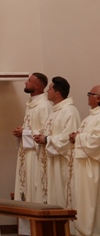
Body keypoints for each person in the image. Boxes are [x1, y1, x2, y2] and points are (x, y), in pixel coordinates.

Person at [33, 77, 80, 217]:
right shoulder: (54, 111)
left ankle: (62, 225)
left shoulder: (69, 111)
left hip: (61, 164)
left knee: (59, 194)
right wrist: (41, 137)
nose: (47, 91)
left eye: (50, 89)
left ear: (57, 93)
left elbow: (68, 139)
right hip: (49, 163)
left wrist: (47, 139)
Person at [12, 72, 52, 235]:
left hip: (36, 158)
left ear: (37, 85)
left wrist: (25, 133)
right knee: (25, 192)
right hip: (26, 156)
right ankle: (26, 231)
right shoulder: (31, 104)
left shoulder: (44, 106)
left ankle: (36, 231)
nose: (25, 83)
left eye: (29, 80)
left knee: (34, 192)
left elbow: (46, 132)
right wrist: (22, 132)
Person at [70, 86, 100, 236]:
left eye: (90, 94)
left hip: (92, 168)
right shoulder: (89, 117)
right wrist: (76, 137)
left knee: (90, 203)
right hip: (82, 167)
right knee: (81, 202)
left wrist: (78, 137)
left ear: (98, 98)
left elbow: (97, 141)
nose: (87, 96)